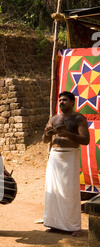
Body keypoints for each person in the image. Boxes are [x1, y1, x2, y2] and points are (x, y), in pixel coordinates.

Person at [42, 91, 90, 237]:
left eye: (64, 100)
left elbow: (85, 140)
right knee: (53, 191)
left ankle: (74, 227)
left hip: (70, 156)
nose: (61, 102)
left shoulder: (78, 118)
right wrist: (48, 133)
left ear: (72, 102)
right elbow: (44, 140)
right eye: (60, 100)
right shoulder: (54, 119)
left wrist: (67, 133)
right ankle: (54, 224)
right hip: (55, 157)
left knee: (70, 192)